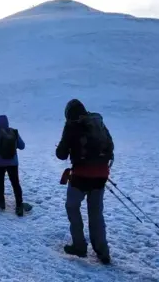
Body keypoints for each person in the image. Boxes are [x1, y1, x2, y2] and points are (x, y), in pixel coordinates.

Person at [56, 99, 113, 265]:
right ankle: (103, 252)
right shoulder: (98, 123)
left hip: (81, 175)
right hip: (101, 174)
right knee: (96, 213)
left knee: (72, 206)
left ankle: (79, 246)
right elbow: (110, 146)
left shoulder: (71, 126)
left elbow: (61, 154)